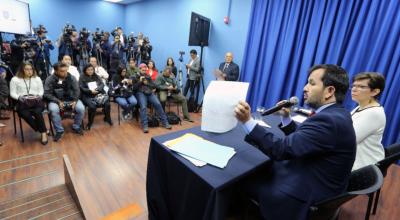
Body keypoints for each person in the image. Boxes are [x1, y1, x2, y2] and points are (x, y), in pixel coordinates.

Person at [234, 64, 356, 220]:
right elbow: (304, 142)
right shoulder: (337, 114)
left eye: (312, 83)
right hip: (319, 182)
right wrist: (286, 118)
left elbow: (281, 150)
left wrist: (247, 122)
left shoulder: (329, 121)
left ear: (330, 91)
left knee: (240, 180)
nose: (305, 88)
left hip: (303, 197)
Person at [350, 72, 386, 171]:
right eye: (354, 85)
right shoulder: (361, 107)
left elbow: (348, 140)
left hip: (362, 168)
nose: (354, 89)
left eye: (361, 86)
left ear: (374, 92)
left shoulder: (373, 113)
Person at [44, 62, 85, 141]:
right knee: (53, 110)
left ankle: (76, 126)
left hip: (71, 99)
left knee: (81, 108)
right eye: (62, 71)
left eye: (66, 70)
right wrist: (58, 101)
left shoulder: (71, 77)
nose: (65, 73)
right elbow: (47, 94)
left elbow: (77, 91)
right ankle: (59, 130)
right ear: (56, 71)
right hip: (55, 100)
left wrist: (75, 101)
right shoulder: (50, 79)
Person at [9, 62, 48, 145]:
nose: (29, 71)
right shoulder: (15, 79)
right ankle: (42, 129)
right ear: (22, 70)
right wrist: (19, 97)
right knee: (24, 114)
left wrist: (39, 96)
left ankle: (43, 134)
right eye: (27, 69)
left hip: (36, 101)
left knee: (37, 112)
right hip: (23, 102)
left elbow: (41, 91)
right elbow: (12, 93)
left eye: (31, 69)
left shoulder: (37, 78)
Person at [134, 63, 171, 133]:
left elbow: (153, 85)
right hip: (140, 93)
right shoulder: (135, 76)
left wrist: (147, 83)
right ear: (139, 69)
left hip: (149, 93)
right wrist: (140, 81)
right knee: (143, 107)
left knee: (158, 104)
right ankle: (145, 125)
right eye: (143, 70)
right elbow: (134, 88)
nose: (144, 71)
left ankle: (165, 122)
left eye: (145, 70)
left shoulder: (147, 76)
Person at [80, 64, 113, 130]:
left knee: (107, 104)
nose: (90, 71)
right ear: (85, 70)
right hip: (87, 95)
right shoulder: (82, 77)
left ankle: (107, 118)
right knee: (92, 107)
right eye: (88, 70)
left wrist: (97, 89)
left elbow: (102, 84)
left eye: (91, 70)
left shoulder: (96, 76)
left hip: (98, 93)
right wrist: (90, 91)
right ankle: (90, 122)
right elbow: (81, 87)